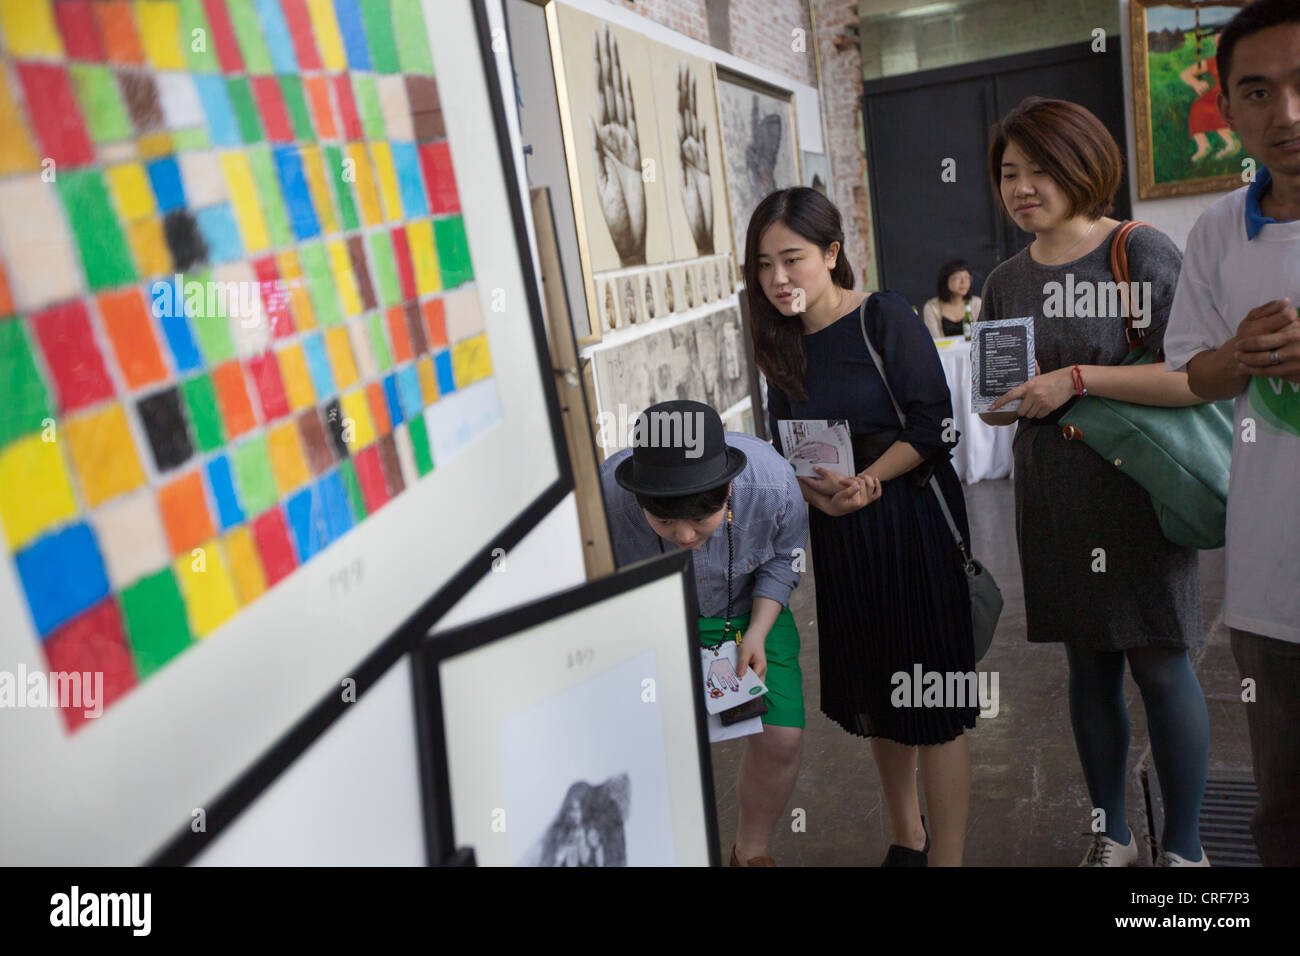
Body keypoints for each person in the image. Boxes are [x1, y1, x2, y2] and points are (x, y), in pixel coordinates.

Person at [977, 97, 1211, 866]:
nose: (1022, 187)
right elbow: (1005, 407)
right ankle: (1112, 832)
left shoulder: (1139, 252)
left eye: (1040, 169)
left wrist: (1074, 379)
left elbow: (1192, 380)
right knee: (1088, 667)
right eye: (1009, 173)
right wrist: (1006, 401)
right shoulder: (1005, 281)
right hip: (1053, 502)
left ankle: (1184, 849)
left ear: (1084, 165)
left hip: (1139, 492)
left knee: (1161, 661)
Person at [746, 186, 977, 867]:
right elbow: (785, 445)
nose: (778, 278)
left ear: (832, 253)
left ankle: (948, 860)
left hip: (910, 525)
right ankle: (907, 836)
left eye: (792, 259)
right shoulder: (780, 341)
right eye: (763, 265)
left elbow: (935, 422)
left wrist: (873, 479)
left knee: (935, 700)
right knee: (882, 692)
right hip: (843, 537)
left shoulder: (884, 315)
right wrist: (819, 499)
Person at [1161, 0, 1300, 866]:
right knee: (1284, 808)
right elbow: (1191, 373)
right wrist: (1239, 355)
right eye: (1257, 91)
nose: (1285, 113)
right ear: (1229, 107)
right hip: (1271, 573)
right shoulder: (1218, 230)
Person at [599, 400, 809, 867]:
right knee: (649, 737)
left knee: (782, 738)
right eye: (666, 523)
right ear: (639, 500)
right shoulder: (604, 500)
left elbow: (784, 557)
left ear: (729, 488)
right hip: (652, 615)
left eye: (701, 521)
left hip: (748, 606)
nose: (686, 536)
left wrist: (756, 631)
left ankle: (750, 851)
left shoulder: (772, 484)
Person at [1180, 30, 1241, 163]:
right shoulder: (1211, 62)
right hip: (1215, 94)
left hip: (1233, 93)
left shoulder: (1240, 60)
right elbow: (1185, 74)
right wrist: (1196, 83)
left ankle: (1231, 143)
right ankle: (1203, 146)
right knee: (1197, 107)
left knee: (1220, 109)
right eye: (1218, 44)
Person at [922, 260, 982, 338]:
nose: (963, 282)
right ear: (945, 281)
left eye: (967, 277)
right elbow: (934, 341)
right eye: (957, 278)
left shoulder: (977, 303)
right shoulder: (931, 307)